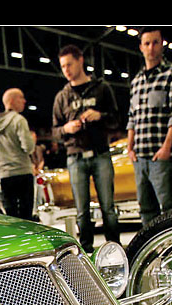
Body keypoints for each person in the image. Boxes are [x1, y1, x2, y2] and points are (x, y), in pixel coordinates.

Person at [52, 44, 121, 249]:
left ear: (80, 61)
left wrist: (100, 116)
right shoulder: (62, 96)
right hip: (75, 157)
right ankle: (86, 251)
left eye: (69, 64)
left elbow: (117, 119)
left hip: (100, 153)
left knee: (108, 207)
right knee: (82, 210)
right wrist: (66, 128)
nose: (66, 70)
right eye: (63, 66)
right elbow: (55, 131)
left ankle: (115, 249)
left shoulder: (102, 88)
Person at [127, 28, 172, 227]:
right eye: (147, 43)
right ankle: (151, 246)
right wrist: (130, 148)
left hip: (161, 157)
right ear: (141, 47)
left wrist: (166, 148)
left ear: (162, 44)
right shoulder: (136, 81)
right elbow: (132, 118)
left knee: (170, 208)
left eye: (155, 42)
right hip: (140, 159)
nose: (151, 48)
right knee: (146, 209)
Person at [0, 88, 37, 219]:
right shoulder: (19, 120)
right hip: (22, 172)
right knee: (26, 217)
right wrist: (32, 139)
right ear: (11, 101)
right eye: (21, 98)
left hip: (5, 174)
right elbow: (28, 147)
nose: (24, 101)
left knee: (11, 217)